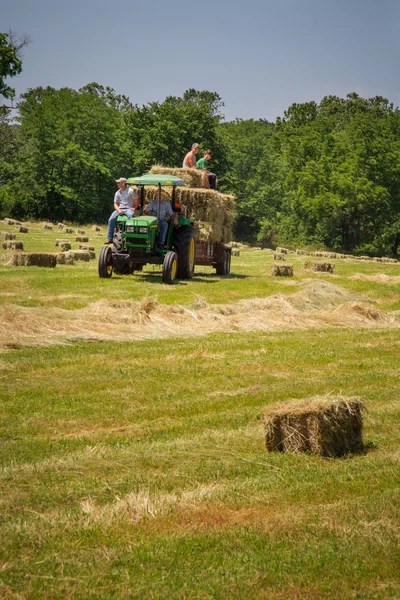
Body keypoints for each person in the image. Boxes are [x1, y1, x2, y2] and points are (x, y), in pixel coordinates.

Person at [105, 178, 138, 244]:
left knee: (131, 216)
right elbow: (115, 204)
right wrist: (118, 210)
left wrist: (135, 208)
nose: (117, 184)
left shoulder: (130, 191)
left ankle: (131, 236)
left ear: (123, 183)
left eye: (118, 183)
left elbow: (137, 199)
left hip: (128, 209)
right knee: (111, 219)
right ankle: (109, 238)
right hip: (120, 209)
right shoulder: (117, 193)